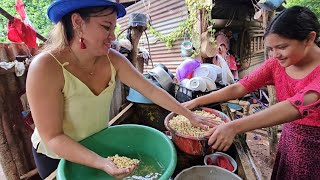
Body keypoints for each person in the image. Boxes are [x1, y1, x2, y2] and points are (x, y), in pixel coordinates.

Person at [26, 0, 216, 179]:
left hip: (97, 145)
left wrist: (190, 115)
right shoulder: (46, 68)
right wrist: (101, 162)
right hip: (57, 156)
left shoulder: (112, 59)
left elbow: (151, 91)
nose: (113, 36)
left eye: (114, 28)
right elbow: (53, 137)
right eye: (106, 27)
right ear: (77, 22)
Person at [184, 6, 320, 180]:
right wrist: (197, 101)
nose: (274, 55)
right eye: (270, 49)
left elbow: (295, 106)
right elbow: (240, 87)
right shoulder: (276, 64)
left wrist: (234, 126)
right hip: (290, 141)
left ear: (309, 38)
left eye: (282, 47)